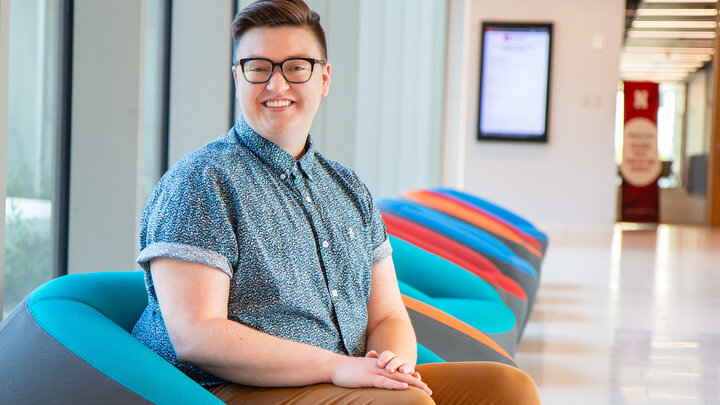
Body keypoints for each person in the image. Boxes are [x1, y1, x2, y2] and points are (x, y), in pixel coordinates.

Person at [131, 0, 542, 403]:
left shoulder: (347, 188)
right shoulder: (201, 182)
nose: (276, 85)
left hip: (344, 375)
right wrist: (335, 367)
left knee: (508, 388)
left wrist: (392, 367)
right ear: (238, 79)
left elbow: (388, 315)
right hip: (236, 389)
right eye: (258, 68)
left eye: (296, 67)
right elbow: (197, 336)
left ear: (324, 78)